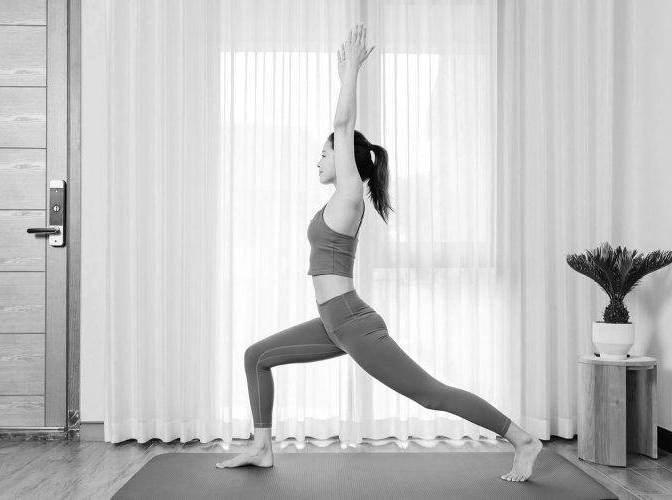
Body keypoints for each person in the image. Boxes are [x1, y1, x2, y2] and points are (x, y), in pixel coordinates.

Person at [217, 22, 542, 482]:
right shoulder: (335, 202)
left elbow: (342, 124)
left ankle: (523, 440)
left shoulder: (350, 195)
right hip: (333, 322)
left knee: (431, 394)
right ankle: (262, 446)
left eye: (325, 154)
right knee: (256, 356)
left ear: (346, 160)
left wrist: (349, 74)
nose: (319, 159)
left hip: (352, 322)